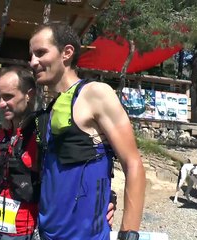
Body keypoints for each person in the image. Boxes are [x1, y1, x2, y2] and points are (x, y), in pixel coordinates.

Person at [0, 67, 116, 239]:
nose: (1, 104)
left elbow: (72, 170)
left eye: (8, 97)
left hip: (24, 231)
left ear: (28, 95)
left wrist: (108, 198)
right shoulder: (6, 130)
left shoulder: (43, 130)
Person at [29, 22, 145, 240]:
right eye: (31, 55)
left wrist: (128, 233)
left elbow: (133, 164)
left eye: (40, 53)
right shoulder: (51, 107)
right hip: (45, 234)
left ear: (67, 53)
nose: (32, 62)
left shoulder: (95, 94)